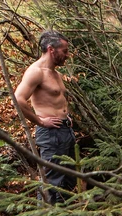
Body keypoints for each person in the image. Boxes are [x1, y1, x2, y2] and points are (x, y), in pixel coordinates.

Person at [14, 30, 76, 204]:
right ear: (51, 49)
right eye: (64, 51)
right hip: (50, 134)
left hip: (65, 130)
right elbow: (18, 99)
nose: (67, 55)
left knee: (70, 176)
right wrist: (40, 120)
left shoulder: (55, 73)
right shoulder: (36, 72)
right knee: (51, 180)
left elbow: (58, 100)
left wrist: (67, 116)